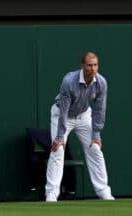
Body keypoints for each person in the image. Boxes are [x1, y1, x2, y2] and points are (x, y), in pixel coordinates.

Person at [45, 51, 114, 202]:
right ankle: (51, 193)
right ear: (82, 66)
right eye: (89, 65)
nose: (93, 69)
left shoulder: (101, 83)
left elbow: (99, 110)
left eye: (95, 65)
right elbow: (63, 111)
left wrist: (96, 134)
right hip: (62, 115)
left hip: (84, 116)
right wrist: (59, 137)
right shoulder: (69, 81)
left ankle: (104, 192)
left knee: (95, 149)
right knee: (58, 150)